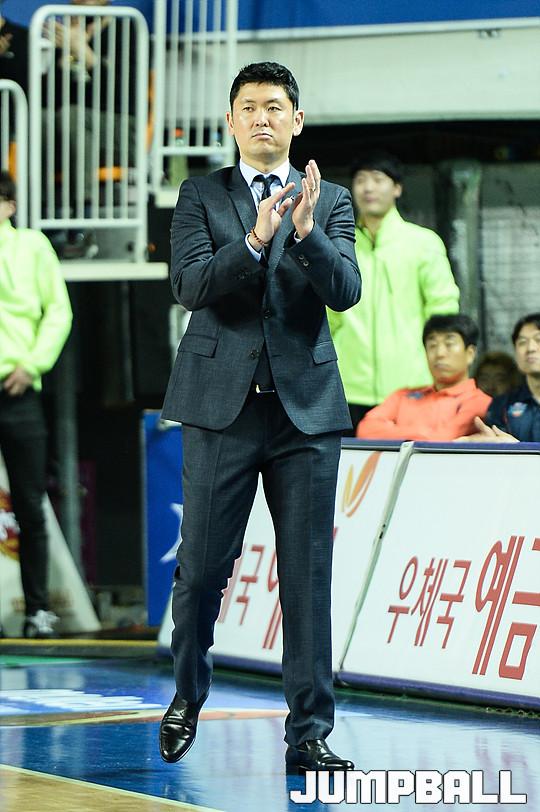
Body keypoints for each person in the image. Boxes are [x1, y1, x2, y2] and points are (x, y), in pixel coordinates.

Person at [158, 62, 361, 773]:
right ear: (231, 121)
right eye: (248, 107)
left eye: (275, 107)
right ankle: (187, 693)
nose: (262, 118)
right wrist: (251, 242)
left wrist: (304, 235)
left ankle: (309, 732)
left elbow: (345, 291)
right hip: (222, 410)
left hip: (306, 413)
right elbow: (190, 286)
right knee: (201, 571)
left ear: (296, 120)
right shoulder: (200, 194)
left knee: (307, 576)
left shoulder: (329, 199)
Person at [327, 150, 460, 432]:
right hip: (347, 386)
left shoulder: (423, 243)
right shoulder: (339, 245)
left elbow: (443, 311)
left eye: (378, 179)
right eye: (360, 180)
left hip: (411, 386)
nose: (368, 188)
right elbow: (328, 315)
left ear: (397, 188)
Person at [0, 170, 72, 637]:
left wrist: (32, 365)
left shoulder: (31, 246)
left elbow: (59, 311)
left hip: (17, 389)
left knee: (29, 502)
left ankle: (38, 610)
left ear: (9, 205)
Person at [356, 313, 490, 441]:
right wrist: (425, 433)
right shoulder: (402, 396)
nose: (439, 353)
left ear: (470, 354)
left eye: (449, 344)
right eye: (432, 345)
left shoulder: (479, 401)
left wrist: (395, 431)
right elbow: (365, 429)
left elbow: (443, 439)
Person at [460, 313, 540, 443]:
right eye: (522, 342)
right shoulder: (501, 405)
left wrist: (517, 448)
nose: (530, 348)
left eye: (538, 339)